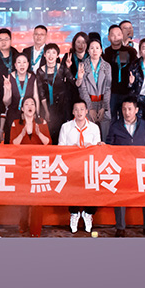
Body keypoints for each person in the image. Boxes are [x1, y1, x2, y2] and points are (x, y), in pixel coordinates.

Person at [104, 98, 145, 237]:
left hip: (141, 167)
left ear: (136, 110)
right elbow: (109, 146)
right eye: (124, 109)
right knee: (120, 196)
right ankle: (120, 227)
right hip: (122, 167)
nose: (126, 112)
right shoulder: (115, 126)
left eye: (130, 109)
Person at [59, 100, 102, 234]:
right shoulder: (66, 127)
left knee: (93, 187)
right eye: (76, 109)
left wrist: (93, 147)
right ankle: (74, 213)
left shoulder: (94, 128)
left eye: (82, 109)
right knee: (73, 189)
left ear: (87, 111)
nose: (79, 112)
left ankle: (88, 214)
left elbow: (98, 149)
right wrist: (72, 148)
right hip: (72, 165)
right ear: (73, 112)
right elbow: (60, 148)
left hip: (89, 165)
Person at [37, 43, 75, 141]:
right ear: (44, 55)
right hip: (47, 106)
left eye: (54, 53)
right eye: (48, 52)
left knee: (62, 135)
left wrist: (71, 70)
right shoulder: (40, 71)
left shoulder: (62, 68)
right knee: (48, 135)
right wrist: (46, 111)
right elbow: (41, 94)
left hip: (62, 106)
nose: (51, 55)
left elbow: (74, 83)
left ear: (57, 55)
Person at [103, 25, 139, 122]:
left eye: (118, 35)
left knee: (127, 119)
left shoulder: (131, 52)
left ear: (122, 35)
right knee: (111, 119)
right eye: (113, 35)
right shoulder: (106, 53)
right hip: (112, 92)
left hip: (127, 91)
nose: (116, 37)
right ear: (108, 37)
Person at [76, 38, 112, 132]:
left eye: (97, 48)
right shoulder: (82, 65)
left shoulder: (107, 66)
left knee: (105, 133)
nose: (94, 51)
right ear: (88, 50)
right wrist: (90, 108)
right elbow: (83, 88)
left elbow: (108, 88)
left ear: (101, 50)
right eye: (92, 48)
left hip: (103, 103)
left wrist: (104, 107)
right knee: (89, 133)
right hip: (88, 103)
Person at [5, 54, 42, 141]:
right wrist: (8, 90)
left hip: (28, 115)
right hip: (13, 114)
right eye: (19, 62)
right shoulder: (9, 78)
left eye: (24, 62)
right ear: (15, 65)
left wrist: (37, 114)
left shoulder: (33, 78)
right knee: (12, 141)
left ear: (28, 64)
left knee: (28, 141)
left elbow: (36, 97)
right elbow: (6, 102)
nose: (22, 65)